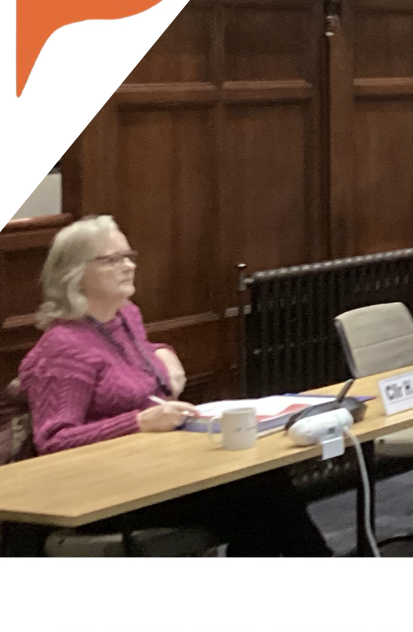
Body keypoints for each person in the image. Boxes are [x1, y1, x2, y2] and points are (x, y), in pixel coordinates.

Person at [16, 215, 332, 556]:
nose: (128, 266)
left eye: (129, 256)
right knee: (255, 495)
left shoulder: (124, 316)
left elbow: (122, 361)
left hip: (153, 469)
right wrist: (138, 422)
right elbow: (54, 441)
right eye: (112, 260)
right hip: (101, 494)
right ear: (75, 273)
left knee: (260, 482)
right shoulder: (62, 349)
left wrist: (162, 350)